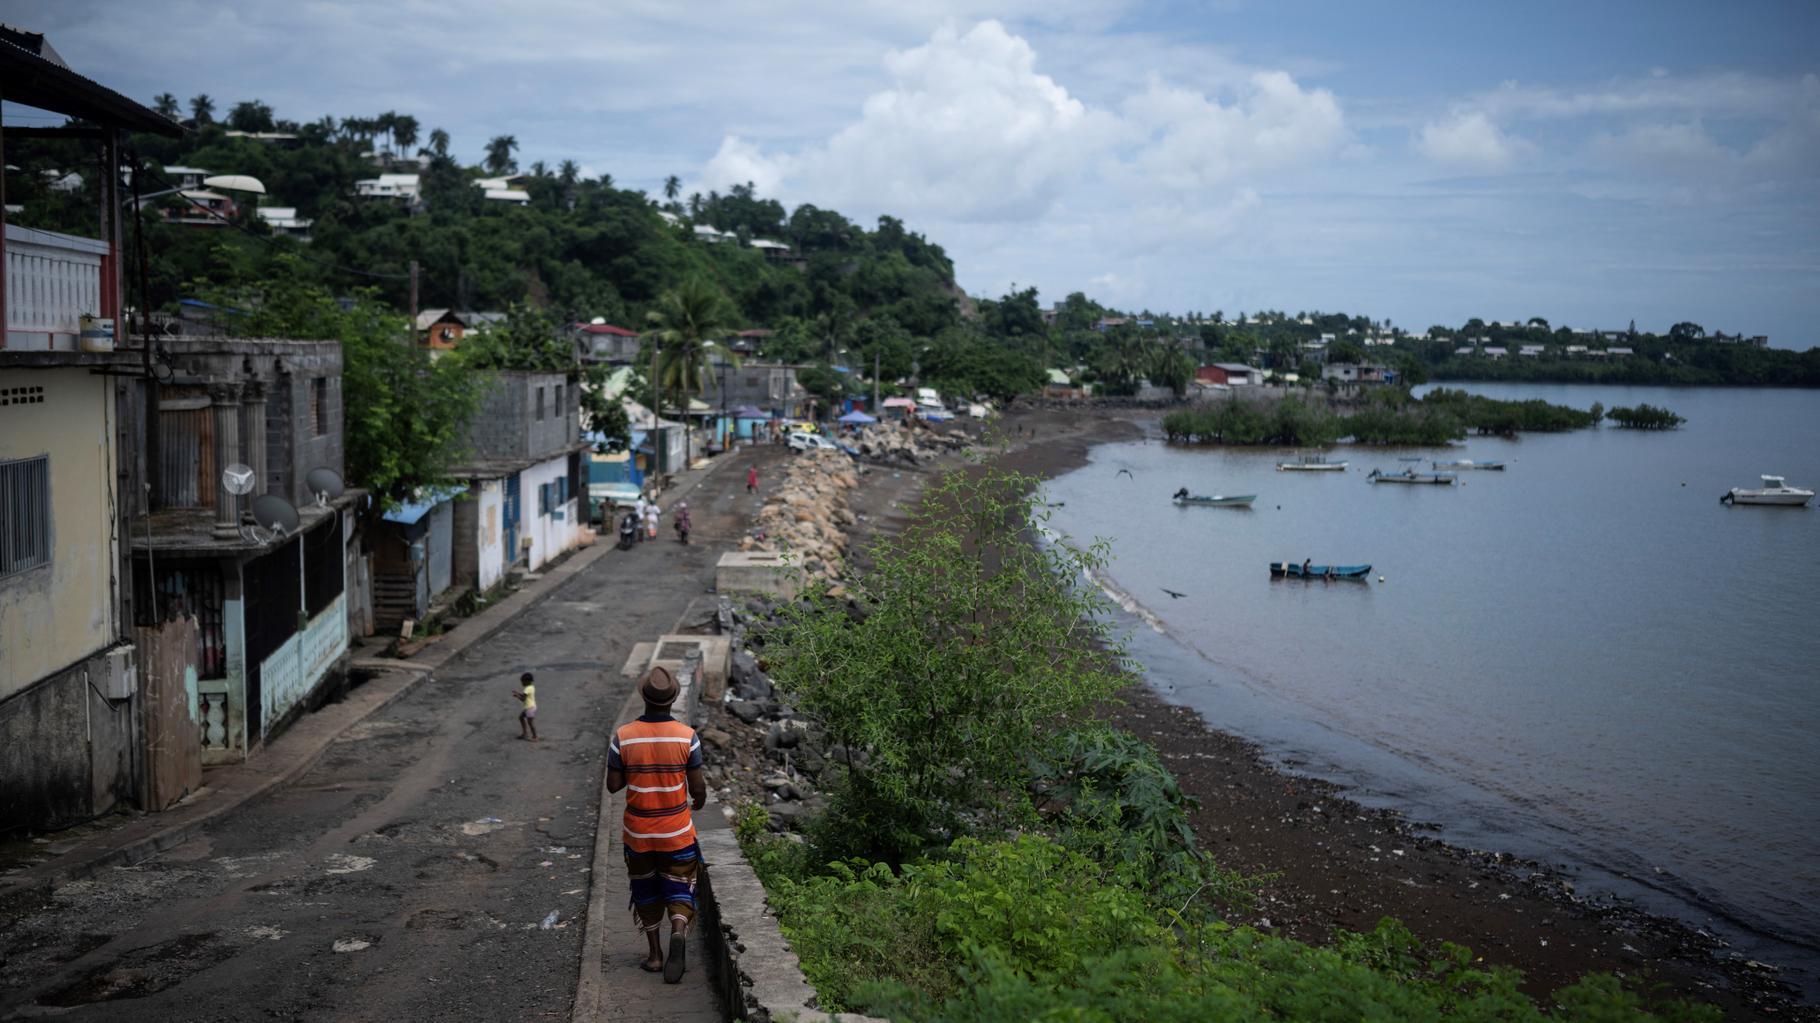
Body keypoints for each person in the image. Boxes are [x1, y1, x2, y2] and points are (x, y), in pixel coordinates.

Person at [607, 667, 706, 983]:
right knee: (680, 883)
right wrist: (699, 801)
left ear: (643, 696)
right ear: (673, 698)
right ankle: (678, 929)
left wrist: (632, 767)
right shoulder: (687, 737)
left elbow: (613, 785)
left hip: (639, 833)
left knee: (645, 889)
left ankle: (654, 955)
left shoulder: (623, 736)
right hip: (676, 832)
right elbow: (697, 786)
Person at [513, 672, 539, 741]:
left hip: (529, 708)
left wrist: (517, 696)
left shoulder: (527, 689)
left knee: (530, 723)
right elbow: (524, 696)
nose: (522, 683)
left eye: (522, 681)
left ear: (527, 681)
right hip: (531, 707)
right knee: (521, 717)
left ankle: (535, 737)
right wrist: (518, 693)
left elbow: (523, 699)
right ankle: (525, 733)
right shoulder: (531, 687)